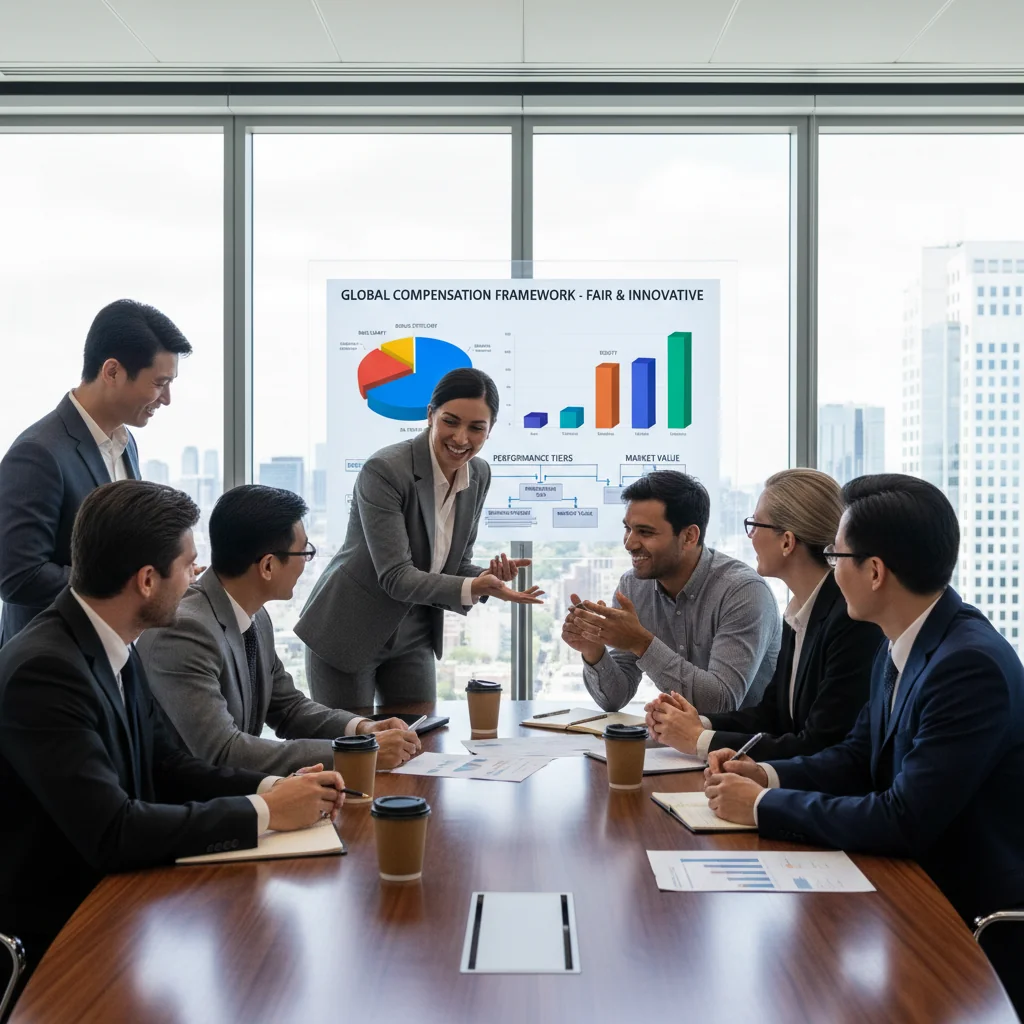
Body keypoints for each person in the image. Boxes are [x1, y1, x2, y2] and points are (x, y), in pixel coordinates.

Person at [704, 474, 1024, 1014]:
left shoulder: (968, 666)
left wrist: (761, 807)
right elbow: (856, 757)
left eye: (838, 555)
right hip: (905, 887)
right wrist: (767, 775)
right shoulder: (902, 639)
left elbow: (904, 819)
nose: (832, 568)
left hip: (966, 921)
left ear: (874, 571)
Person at [0, 480, 343, 969]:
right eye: (187, 566)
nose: (197, 577)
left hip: (122, 900)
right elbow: (113, 830)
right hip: (61, 935)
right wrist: (264, 811)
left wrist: (275, 786)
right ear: (146, 580)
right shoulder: (45, 672)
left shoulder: (114, 641)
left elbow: (169, 764)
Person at [296, 368, 543, 708]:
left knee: (420, 743)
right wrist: (476, 587)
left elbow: (453, 563)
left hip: (415, 631)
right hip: (350, 628)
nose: (460, 437)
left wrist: (484, 578)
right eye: (450, 421)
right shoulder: (385, 469)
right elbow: (396, 576)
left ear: (491, 429)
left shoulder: (479, 474)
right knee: (353, 748)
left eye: (476, 427)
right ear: (430, 415)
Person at [137, 485, 421, 775]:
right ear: (268, 566)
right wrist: (360, 752)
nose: (306, 563)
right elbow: (224, 752)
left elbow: (288, 708)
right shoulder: (186, 631)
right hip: (192, 808)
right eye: (304, 552)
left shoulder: (255, 616)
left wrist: (362, 728)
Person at [646, 469, 882, 761]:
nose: (751, 535)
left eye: (756, 524)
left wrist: (698, 739)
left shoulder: (850, 620)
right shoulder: (801, 610)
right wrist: (698, 724)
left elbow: (820, 745)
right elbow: (772, 715)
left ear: (787, 541)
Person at [0, 300, 191, 644]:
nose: (166, 399)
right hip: (50, 664)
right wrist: (124, 585)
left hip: (107, 657)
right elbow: (18, 577)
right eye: (160, 383)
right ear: (113, 371)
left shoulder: (125, 441)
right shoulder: (38, 453)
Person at [562, 470, 781, 714]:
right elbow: (615, 698)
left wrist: (641, 642)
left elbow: (720, 704)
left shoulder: (743, 592)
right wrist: (593, 650)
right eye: (628, 529)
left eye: (645, 532)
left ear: (689, 536)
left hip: (749, 747)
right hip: (680, 745)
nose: (629, 543)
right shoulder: (633, 587)